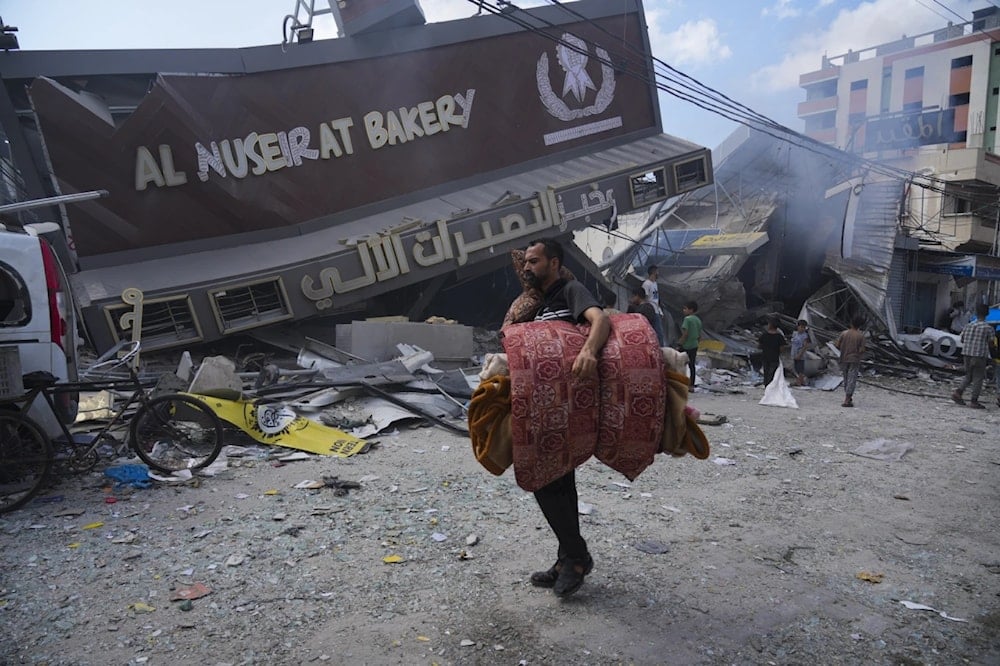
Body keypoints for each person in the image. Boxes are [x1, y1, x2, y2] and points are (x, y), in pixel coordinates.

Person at [521, 238, 610, 597]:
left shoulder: (570, 290)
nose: (527, 267)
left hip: (571, 404)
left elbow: (599, 319)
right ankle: (566, 558)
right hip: (546, 406)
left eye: (534, 261)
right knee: (557, 482)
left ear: (554, 263)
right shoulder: (540, 306)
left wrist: (589, 351)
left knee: (543, 479)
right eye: (525, 262)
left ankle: (576, 557)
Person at [951, 302, 994, 409]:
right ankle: (974, 401)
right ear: (987, 313)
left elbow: (962, 339)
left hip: (966, 354)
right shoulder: (988, 328)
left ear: (976, 312)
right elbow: (991, 344)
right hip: (979, 355)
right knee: (978, 378)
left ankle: (958, 392)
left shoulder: (968, 326)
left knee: (968, 375)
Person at [835, 316, 866, 407]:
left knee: (846, 378)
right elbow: (862, 349)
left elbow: (837, 345)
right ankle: (847, 399)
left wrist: (844, 348)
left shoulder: (844, 333)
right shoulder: (860, 336)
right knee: (852, 379)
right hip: (854, 359)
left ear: (851, 323)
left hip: (844, 358)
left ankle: (848, 397)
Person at [677, 301, 702, 388]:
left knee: (679, 364)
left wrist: (679, 343)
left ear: (691, 310)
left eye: (685, 308)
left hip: (686, 346)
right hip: (694, 345)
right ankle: (691, 385)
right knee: (692, 365)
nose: (683, 310)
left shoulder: (687, 320)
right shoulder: (698, 320)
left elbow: (685, 334)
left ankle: (680, 383)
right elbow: (699, 335)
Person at [641, 265, 666, 345]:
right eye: (657, 272)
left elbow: (656, 299)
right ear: (653, 272)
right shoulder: (646, 284)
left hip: (656, 311)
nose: (658, 273)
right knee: (657, 333)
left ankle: (660, 349)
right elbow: (644, 298)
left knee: (659, 333)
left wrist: (660, 311)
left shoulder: (655, 284)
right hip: (650, 311)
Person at [757, 317, 785, 386]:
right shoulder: (780, 337)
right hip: (774, 358)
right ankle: (771, 387)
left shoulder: (764, 335)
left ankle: (766, 386)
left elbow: (759, 346)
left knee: (766, 373)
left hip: (765, 357)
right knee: (772, 374)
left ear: (770, 325)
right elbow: (782, 349)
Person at [790, 320, 811, 387]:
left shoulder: (805, 336)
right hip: (794, 353)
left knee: (800, 369)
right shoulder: (795, 334)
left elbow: (805, 346)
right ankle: (799, 381)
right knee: (796, 368)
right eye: (801, 327)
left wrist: (800, 354)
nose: (802, 329)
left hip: (800, 355)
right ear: (798, 327)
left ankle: (799, 381)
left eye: (804, 327)